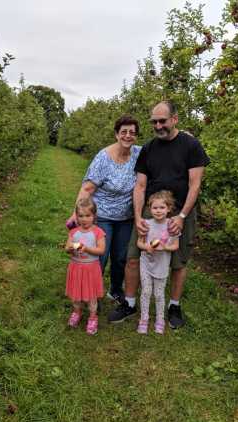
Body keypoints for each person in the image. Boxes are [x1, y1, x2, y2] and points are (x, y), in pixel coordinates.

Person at [108, 100, 210, 328]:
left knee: (178, 261)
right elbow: (140, 186)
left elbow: (195, 185)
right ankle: (130, 303)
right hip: (150, 211)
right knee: (134, 256)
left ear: (174, 119)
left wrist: (182, 216)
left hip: (180, 211)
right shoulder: (149, 148)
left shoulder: (191, 145)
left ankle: (174, 306)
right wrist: (138, 217)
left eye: (162, 121)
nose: (158, 126)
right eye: (154, 122)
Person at [67, 115, 141, 303]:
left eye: (132, 132)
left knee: (121, 257)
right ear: (116, 134)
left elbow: (161, 151)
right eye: (123, 132)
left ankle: (115, 290)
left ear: (136, 136)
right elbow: (87, 188)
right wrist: (76, 213)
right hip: (104, 216)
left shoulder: (139, 154)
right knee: (99, 256)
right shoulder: (103, 158)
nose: (127, 135)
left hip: (126, 217)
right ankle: (92, 294)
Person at [137, 190, 179, 335]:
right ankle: (144, 319)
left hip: (161, 265)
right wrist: (147, 246)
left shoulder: (172, 225)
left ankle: (160, 320)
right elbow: (139, 243)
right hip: (146, 263)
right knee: (146, 291)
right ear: (150, 209)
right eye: (155, 208)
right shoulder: (146, 224)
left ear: (169, 209)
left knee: (159, 294)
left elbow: (175, 246)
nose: (158, 211)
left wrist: (165, 247)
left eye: (162, 207)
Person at [65, 198, 106, 335]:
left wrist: (87, 249)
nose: (84, 219)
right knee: (76, 295)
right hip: (76, 267)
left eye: (88, 215)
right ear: (76, 216)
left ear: (94, 216)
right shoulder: (73, 232)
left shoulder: (98, 232)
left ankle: (93, 317)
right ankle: (77, 312)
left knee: (90, 296)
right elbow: (67, 248)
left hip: (91, 269)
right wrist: (70, 249)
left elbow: (101, 250)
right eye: (81, 216)